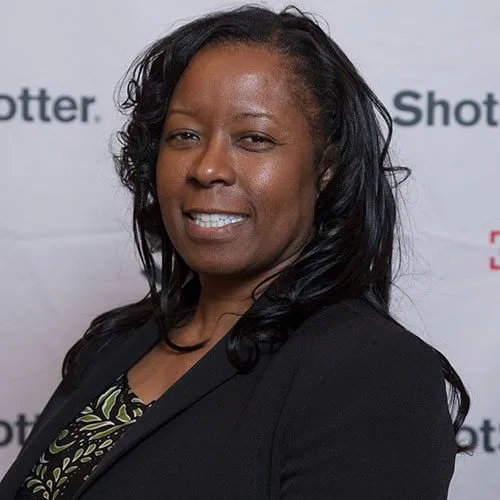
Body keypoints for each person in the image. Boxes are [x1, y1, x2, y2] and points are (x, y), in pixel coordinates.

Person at [1, 5, 470, 499]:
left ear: (326, 168)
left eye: (254, 139)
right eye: (184, 135)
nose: (207, 167)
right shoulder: (113, 345)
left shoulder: (373, 374)